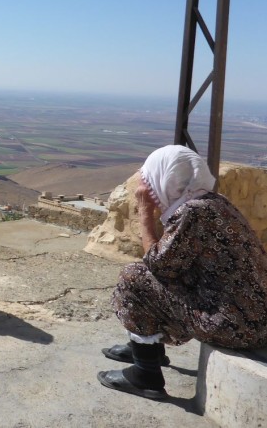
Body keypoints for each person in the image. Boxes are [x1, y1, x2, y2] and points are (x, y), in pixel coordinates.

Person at [98, 145, 267, 400]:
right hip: (251, 319)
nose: (145, 187)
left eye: (149, 179)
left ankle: (146, 375)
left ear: (167, 180)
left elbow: (158, 265)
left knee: (134, 277)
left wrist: (145, 214)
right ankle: (148, 349)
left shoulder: (193, 212)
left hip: (235, 325)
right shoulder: (214, 203)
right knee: (155, 278)